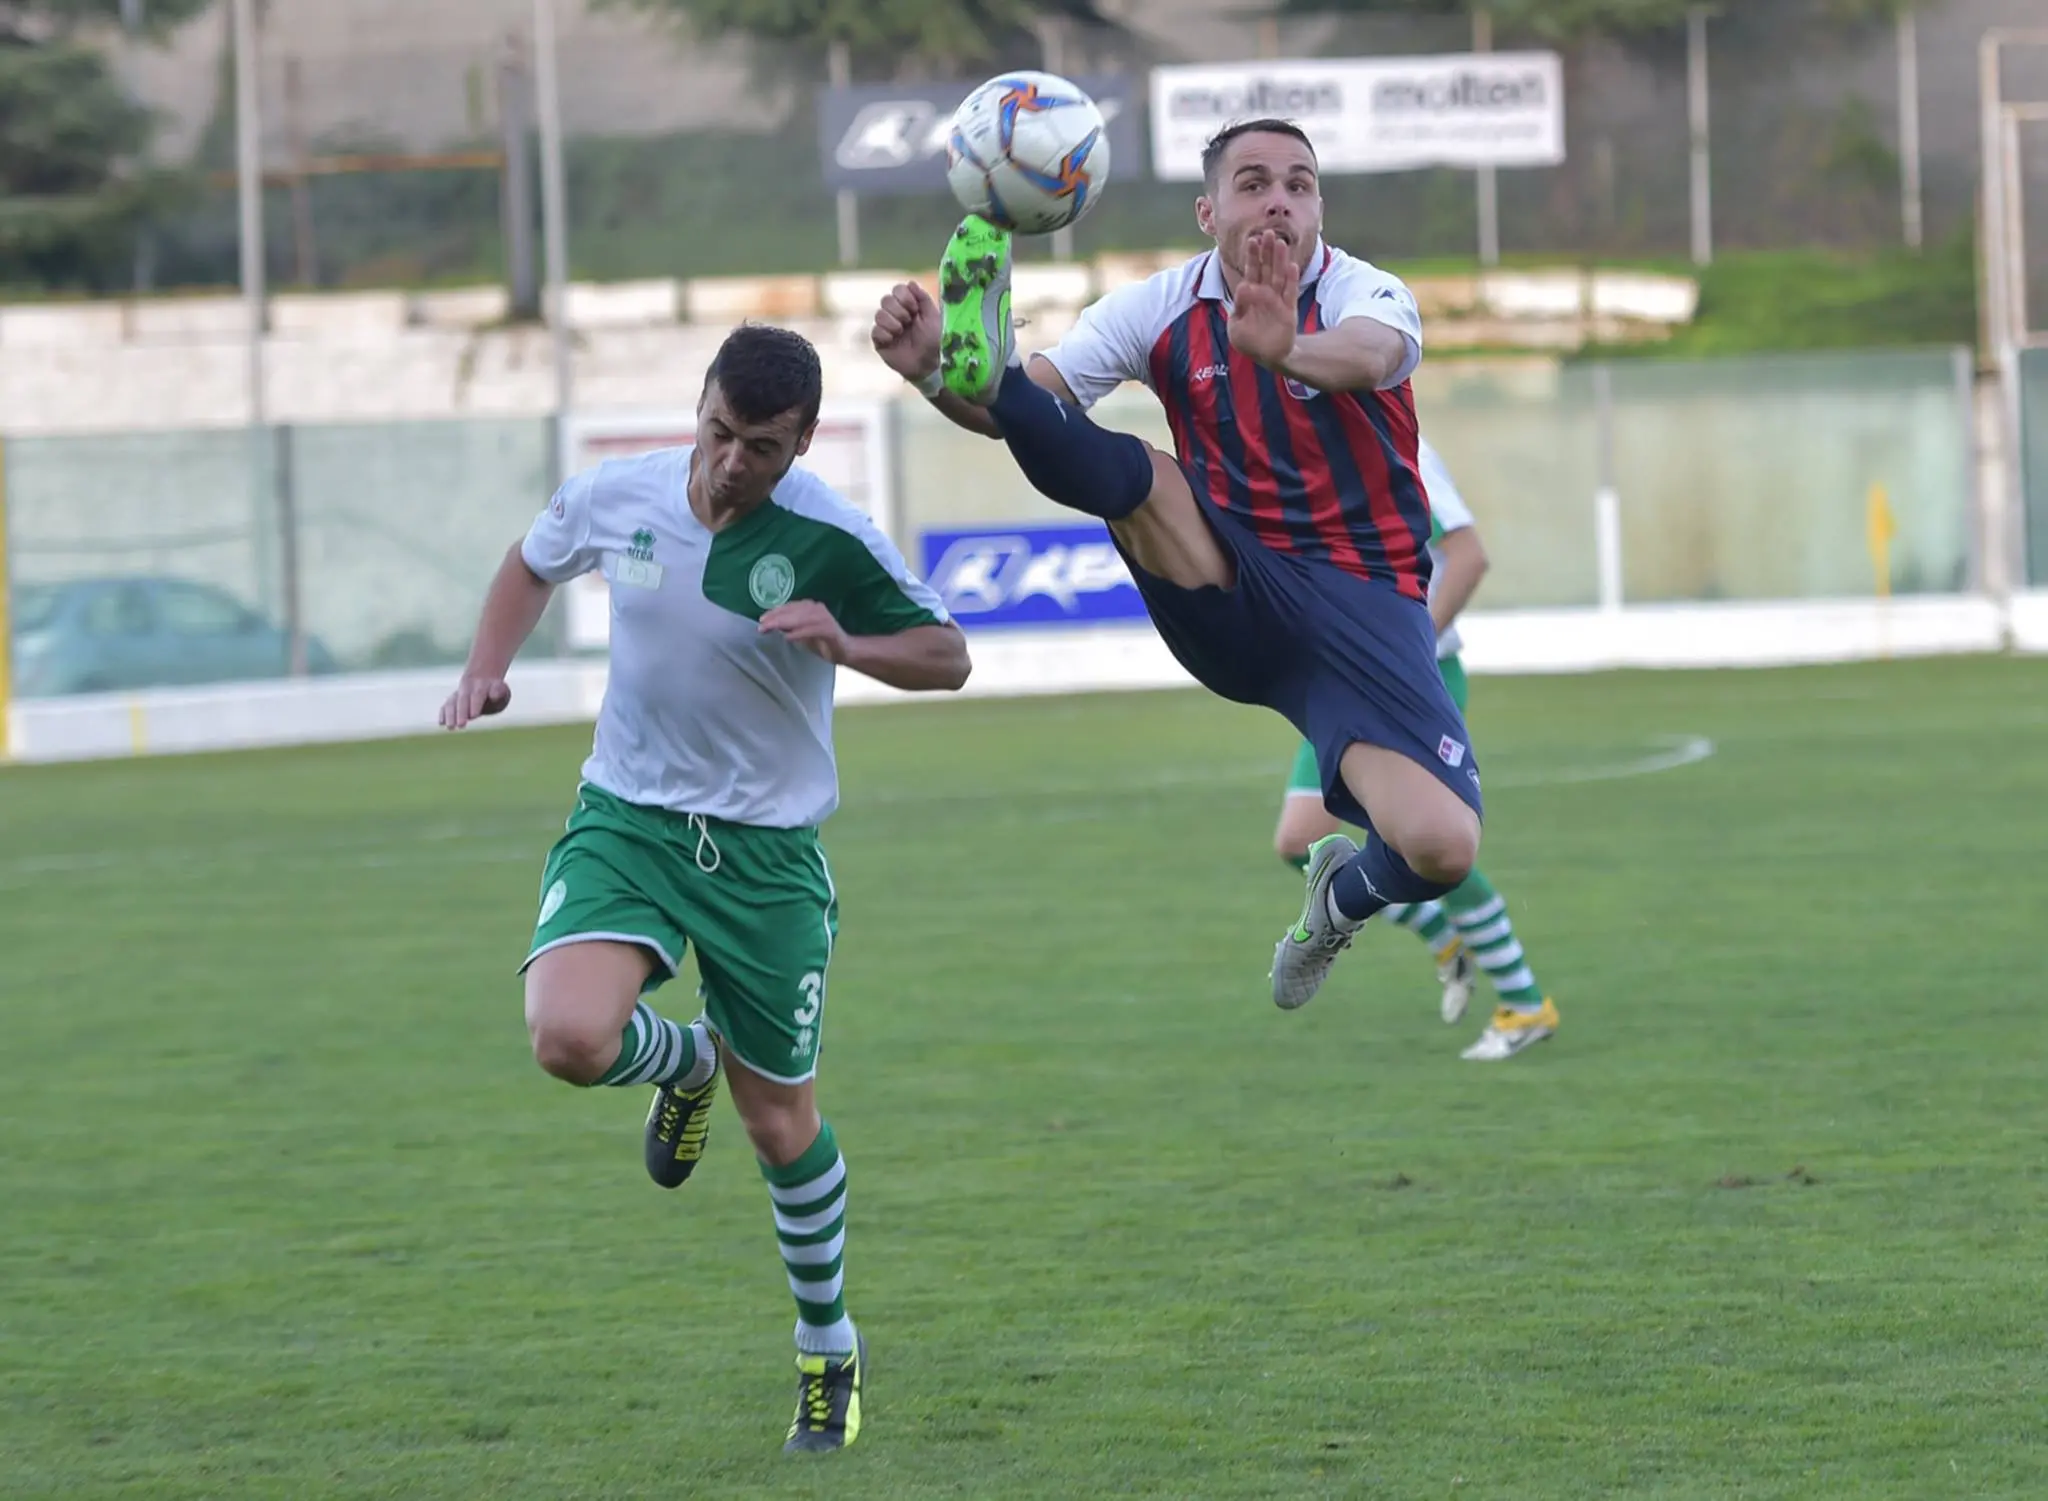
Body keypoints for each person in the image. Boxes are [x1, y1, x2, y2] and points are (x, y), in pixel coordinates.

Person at [437, 323, 971, 1455]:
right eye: (720, 431)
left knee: (779, 1122)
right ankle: (685, 1062)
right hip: (627, 818)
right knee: (566, 1037)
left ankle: (827, 1349)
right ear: (700, 406)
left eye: (761, 447)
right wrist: (488, 665)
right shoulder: (621, 495)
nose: (732, 462)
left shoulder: (828, 535)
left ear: (802, 443)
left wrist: (847, 642)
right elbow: (531, 561)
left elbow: (947, 654)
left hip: (765, 856)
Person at [872, 117, 1479, 1013]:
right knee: (1144, 475)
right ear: (1208, 212)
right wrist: (939, 378)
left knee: (1442, 848)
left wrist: (1286, 347)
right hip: (1231, 581)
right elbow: (1027, 425)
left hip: (1367, 604)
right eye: (1254, 182)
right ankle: (986, 361)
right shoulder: (1157, 308)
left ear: (1319, 208)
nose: (1280, 199)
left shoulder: (1366, 291)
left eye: (1300, 183)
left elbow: (1372, 356)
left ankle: (1339, 898)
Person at [1272, 435, 1560, 1061]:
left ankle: (1524, 1004)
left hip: (1407, 682)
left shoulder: (1395, 446)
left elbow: (1469, 556)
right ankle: (1443, 938)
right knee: (1298, 842)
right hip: (1343, 684)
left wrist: (1404, 652)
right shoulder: (1291, 448)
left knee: (1428, 841)